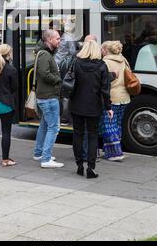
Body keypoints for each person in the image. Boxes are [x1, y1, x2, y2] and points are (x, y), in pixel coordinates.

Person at [69, 40, 112, 178]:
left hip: (76, 105)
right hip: (94, 106)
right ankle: (91, 167)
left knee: (78, 134)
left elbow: (69, 82)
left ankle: (79, 165)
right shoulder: (102, 66)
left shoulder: (76, 63)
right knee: (93, 135)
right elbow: (105, 89)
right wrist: (108, 107)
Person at [34, 29, 64, 168]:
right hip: (49, 97)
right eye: (57, 38)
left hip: (46, 96)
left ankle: (39, 153)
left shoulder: (46, 53)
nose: (59, 40)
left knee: (44, 125)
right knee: (54, 127)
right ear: (49, 40)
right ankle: (45, 159)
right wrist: (58, 79)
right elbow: (44, 74)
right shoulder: (45, 55)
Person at [101, 40, 131, 161]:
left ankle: (115, 154)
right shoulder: (123, 60)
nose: (101, 51)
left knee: (109, 125)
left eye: (102, 49)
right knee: (117, 124)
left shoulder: (105, 62)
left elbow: (103, 81)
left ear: (106, 50)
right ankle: (112, 151)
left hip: (112, 98)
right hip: (125, 97)